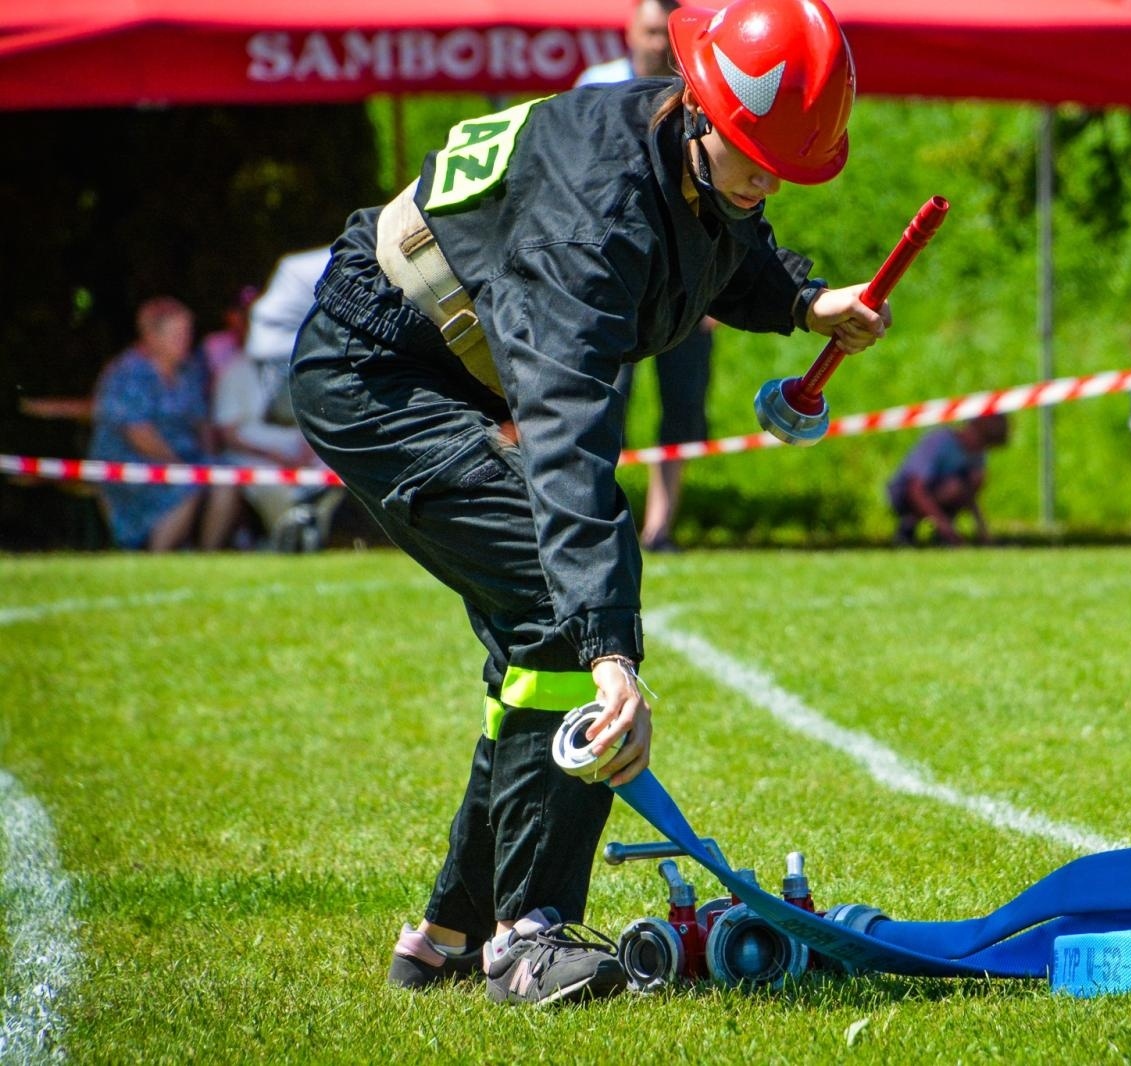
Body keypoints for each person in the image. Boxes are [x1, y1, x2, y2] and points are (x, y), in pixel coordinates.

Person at [290, 0, 879, 1007]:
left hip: (445, 363)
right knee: (558, 617)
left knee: (536, 643)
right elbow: (569, 443)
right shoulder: (594, 219)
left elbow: (722, 236)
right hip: (372, 368)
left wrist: (802, 302)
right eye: (748, 154)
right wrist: (613, 655)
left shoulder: (678, 145)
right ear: (700, 106)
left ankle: (447, 930)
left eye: (781, 164)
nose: (764, 180)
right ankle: (528, 937)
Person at [580, 0, 714, 552]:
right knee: (603, 403)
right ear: (630, 32)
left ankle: (660, 528)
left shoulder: (698, 98)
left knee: (683, 405)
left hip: (681, 281)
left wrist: (713, 286)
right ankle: (598, 519)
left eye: (667, 34)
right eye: (652, 31)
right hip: (615, 281)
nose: (659, 43)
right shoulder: (596, 88)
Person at [213, 248, 345, 550]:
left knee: (335, 473)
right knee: (277, 486)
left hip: (300, 453)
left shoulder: (295, 364)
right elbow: (229, 433)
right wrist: (278, 457)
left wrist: (308, 450)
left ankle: (310, 539)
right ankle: (283, 540)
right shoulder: (234, 371)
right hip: (258, 457)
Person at [88, 296, 242, 551]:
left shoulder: (189, 371)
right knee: (186, 485)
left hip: (182, 459)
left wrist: (207, 458)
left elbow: (200, 422)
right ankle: (159, 557)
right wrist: (179, 466)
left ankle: (209, 557)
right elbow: (138, 432)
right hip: (132, 464)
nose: (185, 341)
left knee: (226, 477)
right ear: (150, 335)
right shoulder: (128, 372)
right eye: (177, 335)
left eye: (186, 333)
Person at [886, 415, 1009, 546]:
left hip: (937, 493)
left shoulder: (976, 452)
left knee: (973, 479)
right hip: (907, 496)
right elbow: (914, 488)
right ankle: (910, 524)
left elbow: (970, 492)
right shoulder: (939, 442)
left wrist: (981, 528)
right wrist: (947, 530)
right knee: (954, 487)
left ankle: (942, 532)